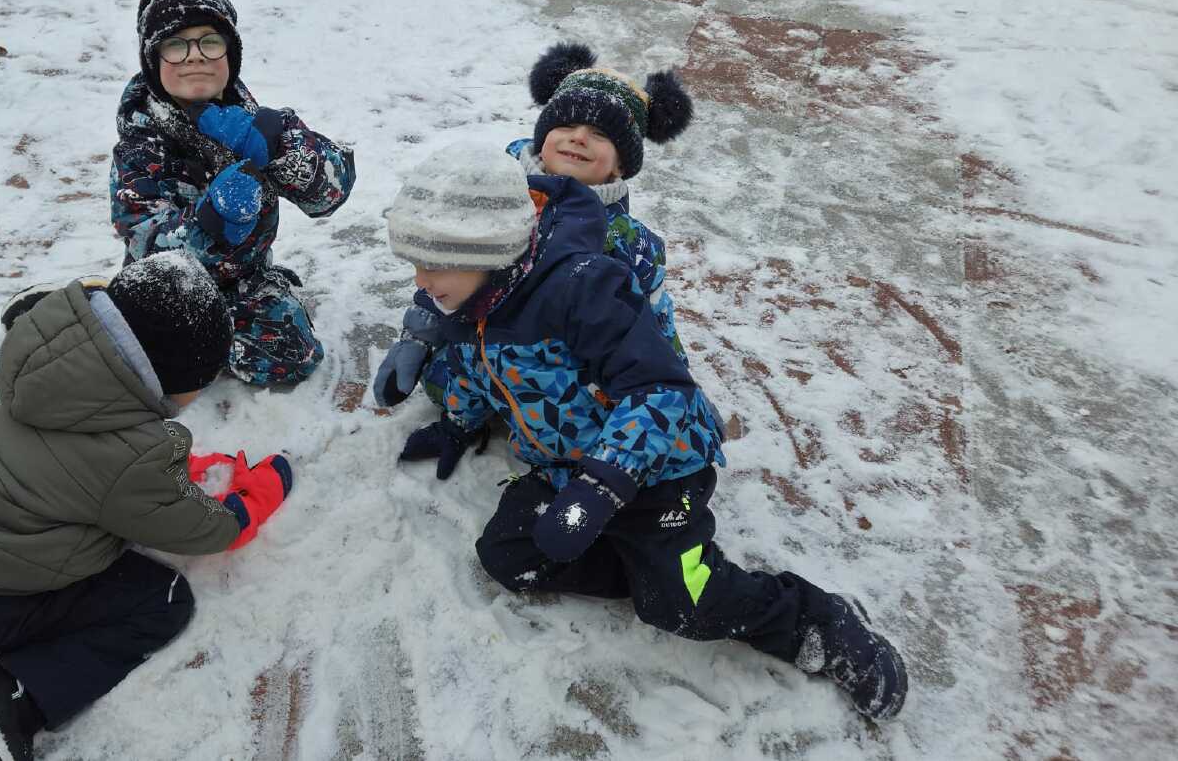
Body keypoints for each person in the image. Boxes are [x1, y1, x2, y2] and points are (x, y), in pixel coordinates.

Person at [380, 145, 908, 721]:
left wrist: (599, 490)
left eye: (433, 264)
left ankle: (816, 623)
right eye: (415, 263)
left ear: (485, 251)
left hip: (658, 466)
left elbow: (661, 389)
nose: (420, 280)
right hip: (566, 466)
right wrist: (457, 425)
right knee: (506, 555)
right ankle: (645, 566)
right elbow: (477, 371)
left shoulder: (582, 289)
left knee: (683, 605)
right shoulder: (472, 304)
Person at [0, 253, 294, 761]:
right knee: (163, 602)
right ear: (174, 379)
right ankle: (14, 693)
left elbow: (82, 468)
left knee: (8, 490)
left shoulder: (46, 365)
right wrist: (260, 492)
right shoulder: (130, 457)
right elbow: (205, 529)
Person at [373, 42, 693, 411]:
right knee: (440, 383)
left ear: (621, 165)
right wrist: (419, 332)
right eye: (566, 124)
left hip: (553, 368)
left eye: (600, 134)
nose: (579, 137)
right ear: (543, 139)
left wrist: (676, 387)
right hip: (478, 343)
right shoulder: (495, 189)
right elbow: (445, 257)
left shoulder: (629, 242)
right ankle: (467, 414)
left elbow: (650, 318)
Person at [110, 0, 356, 387]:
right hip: (174, 293)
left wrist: (280, 147)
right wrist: (212, 220)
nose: (194, 57)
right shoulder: (140, 148)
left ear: (230, 53)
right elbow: (146, 242)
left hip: (243, 277)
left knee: (292, 353)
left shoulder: (256, 122)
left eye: (210, 41)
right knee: (160, 361)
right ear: (153, 61)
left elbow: (330, 194)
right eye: (175, 45)